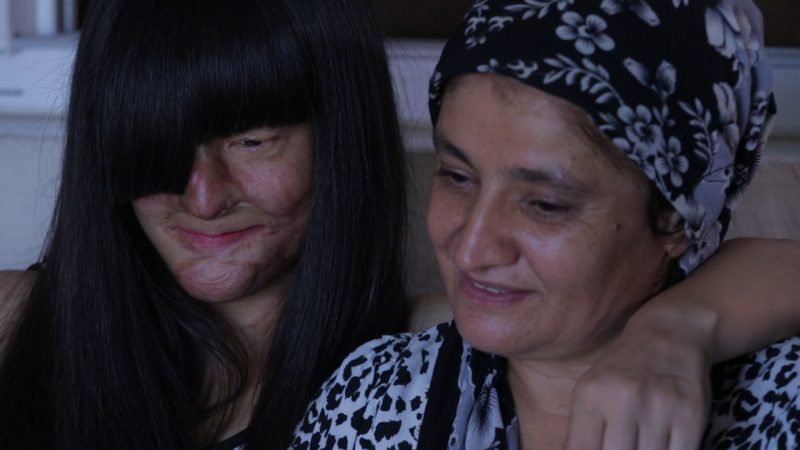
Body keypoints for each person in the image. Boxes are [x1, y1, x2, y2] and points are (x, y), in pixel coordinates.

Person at [290, 1, 800, 449]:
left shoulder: (783, 404)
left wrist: (681, 325)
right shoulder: (376, 391)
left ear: (674, 218)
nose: (471, 250)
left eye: (545, 205)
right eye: (457, 176)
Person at [0, 0, 408, 449]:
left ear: (343, 140)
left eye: (251, 142)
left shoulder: (429, 384)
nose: (204, 200)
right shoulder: (15, 331)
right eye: (157, 143)